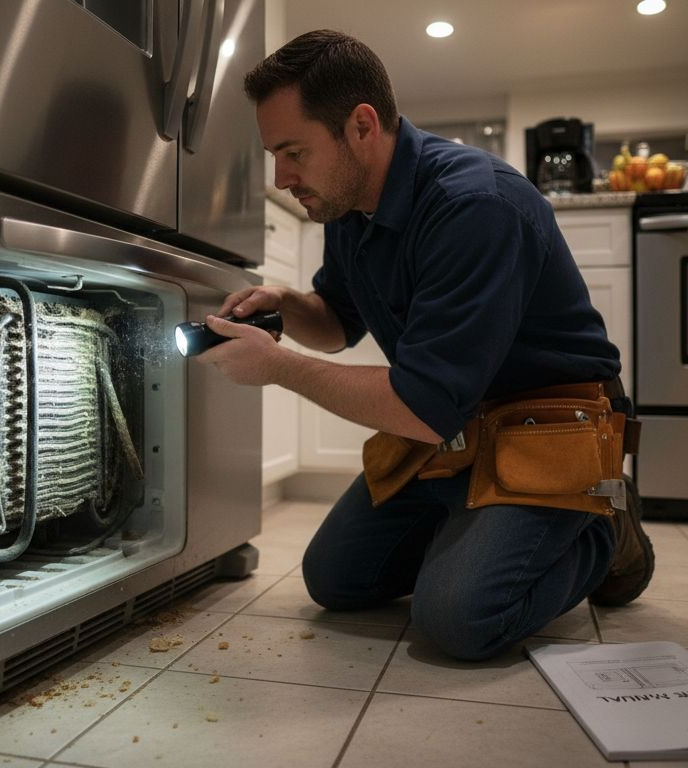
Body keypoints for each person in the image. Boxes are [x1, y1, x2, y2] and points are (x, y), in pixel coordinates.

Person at [194, 29, 653, 661]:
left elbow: (421, 403)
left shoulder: (475, 206)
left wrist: (276, 367)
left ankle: (606, 532)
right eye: (275, 154)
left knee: (458, 620)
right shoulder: (347, 204)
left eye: (293, 150)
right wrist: (288, 306)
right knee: (336, 580)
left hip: (550, 426)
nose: (281, 176)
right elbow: (338, 324)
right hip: (457, 431)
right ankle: (482, 528)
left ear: (361, 126)